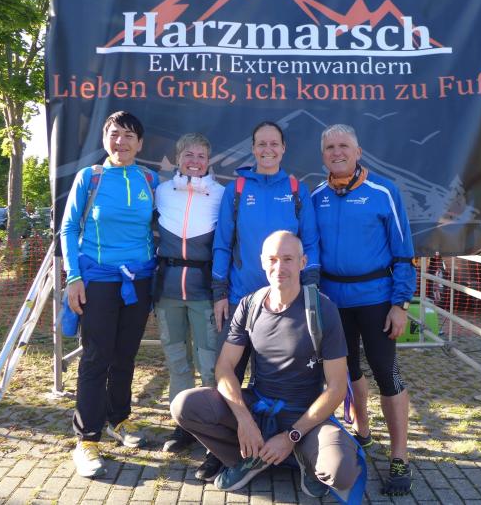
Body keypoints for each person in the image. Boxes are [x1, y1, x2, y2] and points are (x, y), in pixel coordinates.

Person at [172, 231, 363, 500]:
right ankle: (252, 458)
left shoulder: (323, 309)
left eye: (288, 259)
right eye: (272, 259)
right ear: (262, 262)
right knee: (184, 405)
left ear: (303, 262)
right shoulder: (250, 305)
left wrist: (291, 436)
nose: (279, 267)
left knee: (341, 472)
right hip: (259, 409)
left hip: (306, 417)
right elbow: (225, 367)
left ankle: (301, 456)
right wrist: (244, 420)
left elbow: (337, 388)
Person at [311, 124, 417, 496]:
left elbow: (404, 252)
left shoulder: (383, 191)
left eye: (344, 146)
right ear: (322, 155)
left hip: (376, 299)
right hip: (332, 301)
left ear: (358, 152)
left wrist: (400, 304)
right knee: (348, 371)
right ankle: (363, 431)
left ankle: (400, 456)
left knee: (387, 374)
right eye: (330, 147)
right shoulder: (317, 196)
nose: (337, 152)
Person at [60, 111, 159, 478]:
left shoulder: (149, 179)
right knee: (96, 358)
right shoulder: (91, 177)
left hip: (139, 281)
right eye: (115, 134)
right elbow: (69, 228)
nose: (121, 142)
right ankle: (86, 439)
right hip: (98, 280)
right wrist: (73, 277)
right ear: (105, 139)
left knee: (125, 355)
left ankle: (119, 419)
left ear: (140, 144)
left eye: (129, 136)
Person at [211, 121, 320, 382]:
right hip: (240, 298)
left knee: (275, 382)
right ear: (253, 149)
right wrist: (219, 293)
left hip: (285, 302)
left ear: (283, 148)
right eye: (261, 144)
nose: (267, 149)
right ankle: (232, 413)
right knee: (228, 376)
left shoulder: (297, 190)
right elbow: (222, 244)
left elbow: (311, 243)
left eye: (274, 144)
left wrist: (310, 289)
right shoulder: (236, 190)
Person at [153, 133, 225, 470]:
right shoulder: (161, 191)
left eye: (201, 156)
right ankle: (182, 426)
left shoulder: (221, 194)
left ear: (208, 161)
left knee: (209, 364)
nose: (194, 161)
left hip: (204, 292)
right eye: (188, 155)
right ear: (178, 158)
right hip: (167, 291)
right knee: (177, 362)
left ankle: (212, 430)